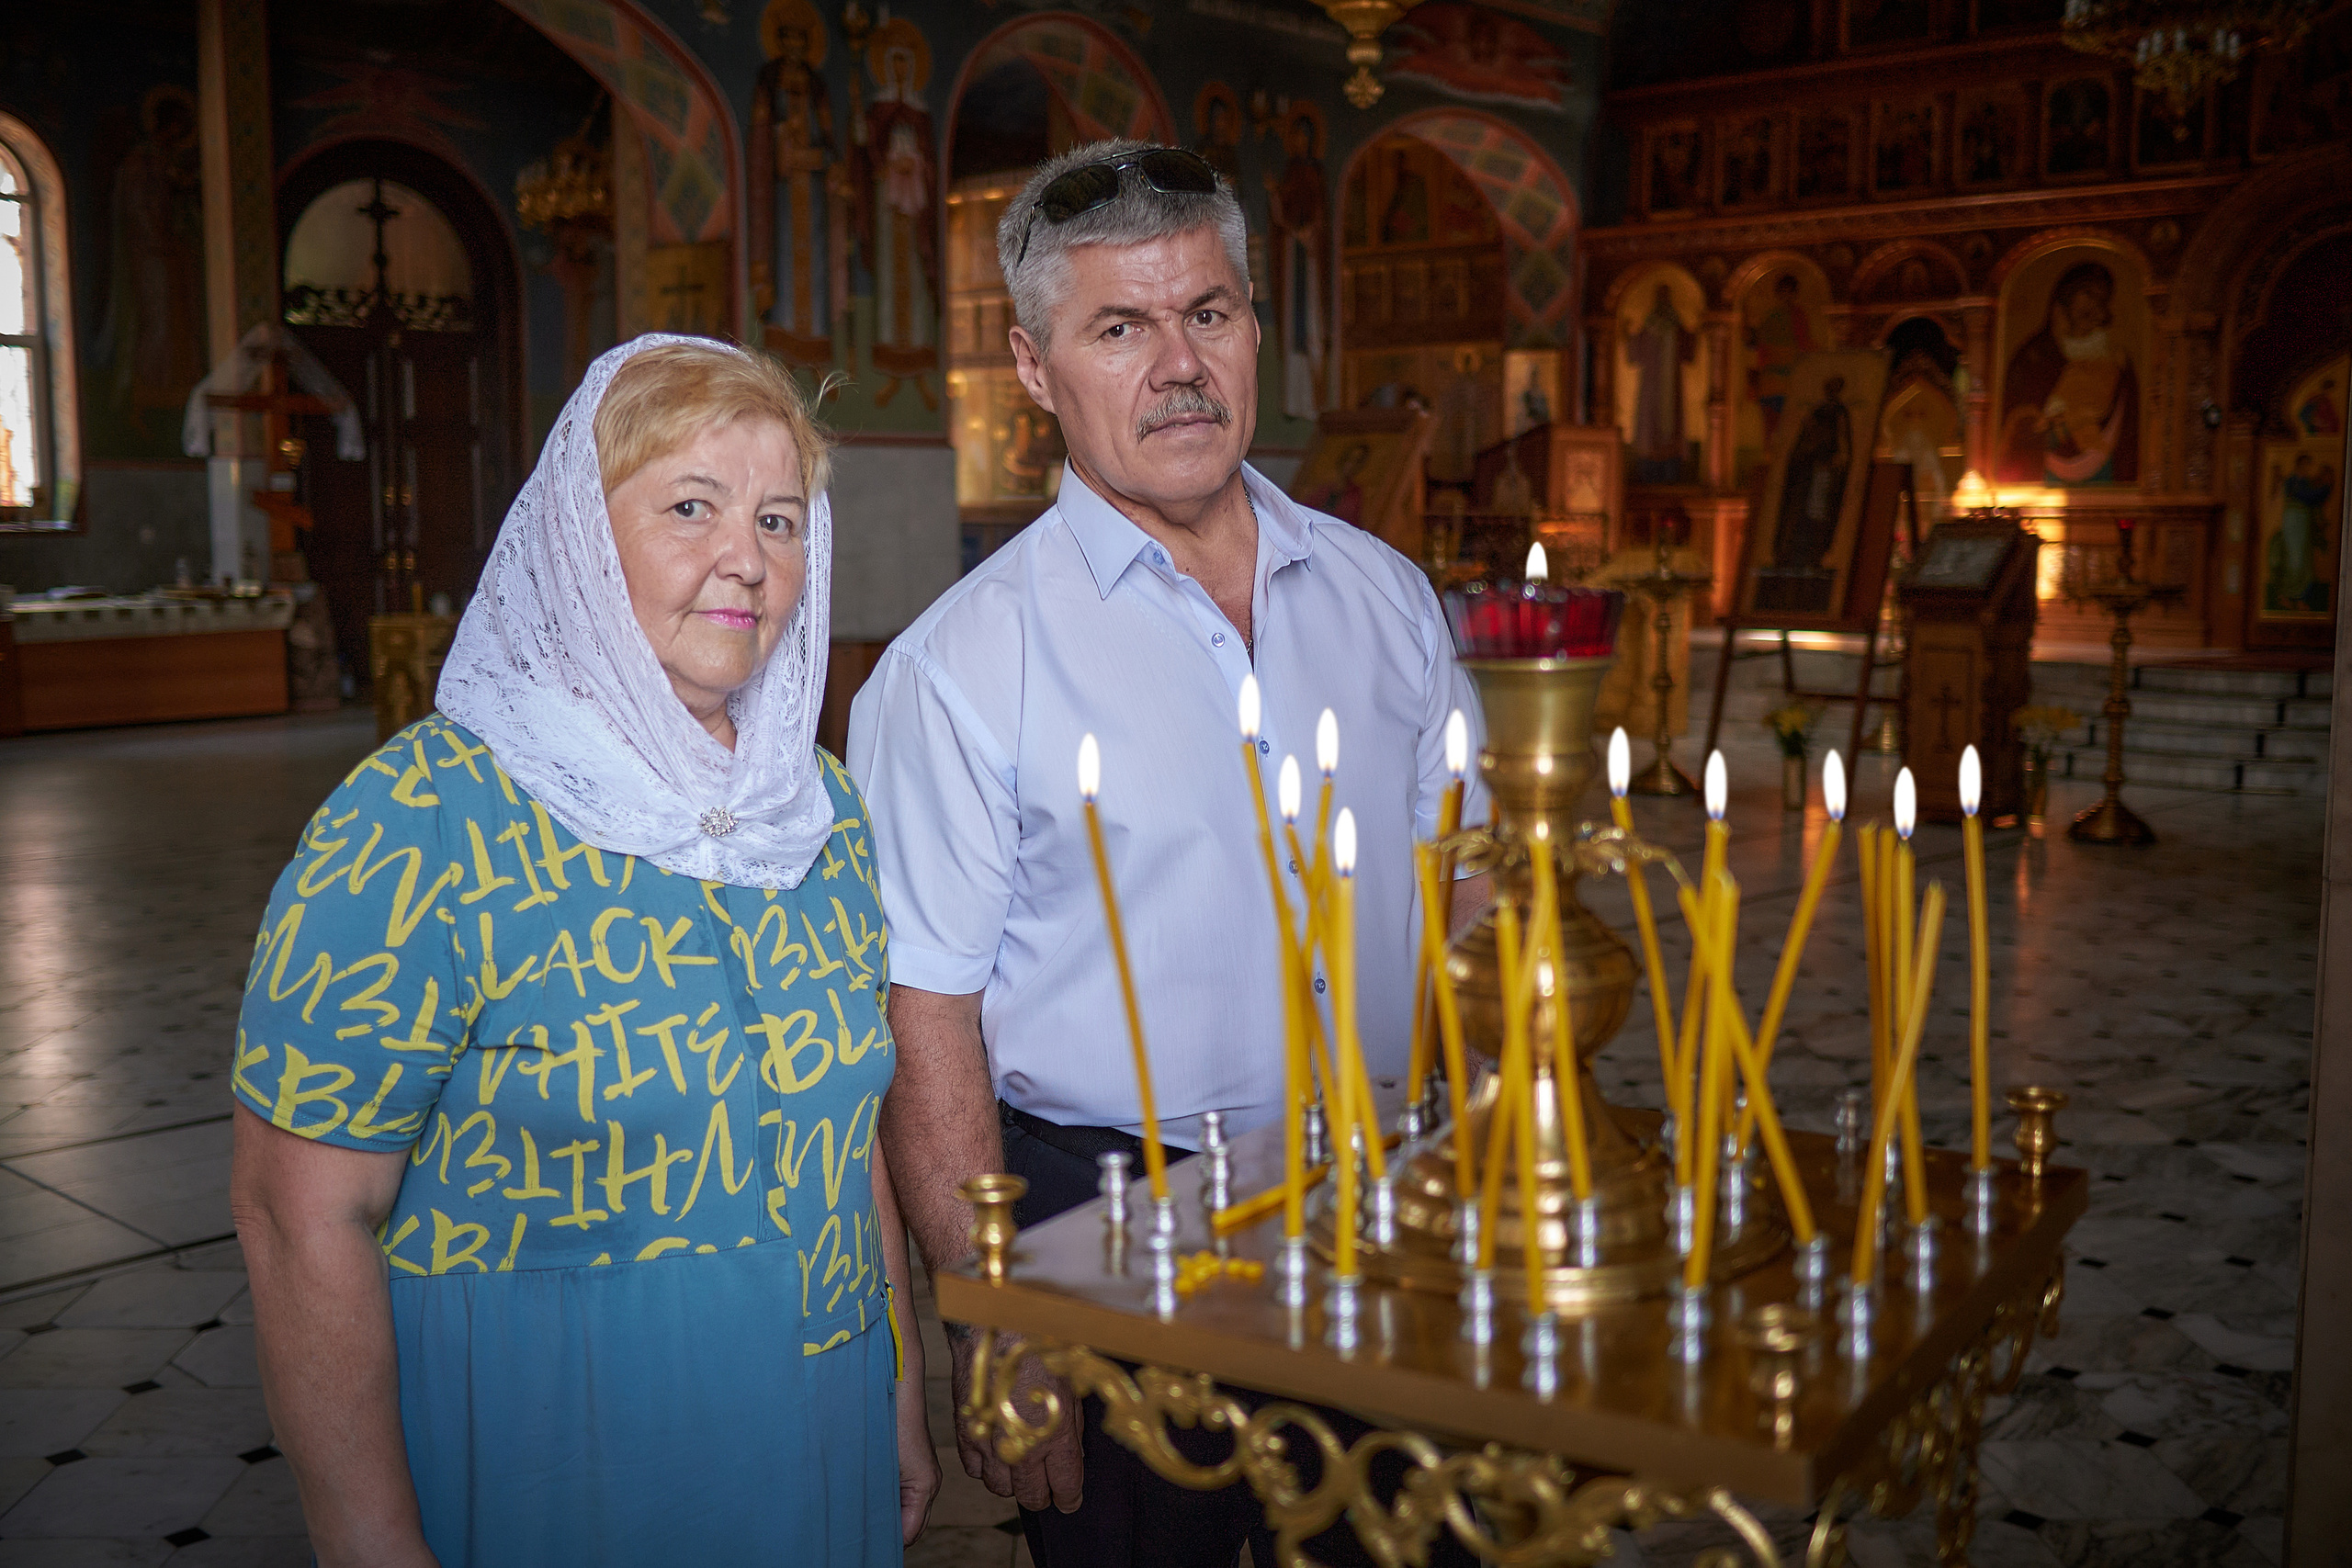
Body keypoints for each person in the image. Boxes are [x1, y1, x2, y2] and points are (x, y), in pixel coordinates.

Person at [849, 140, 1487, 1568]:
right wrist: (1000, 1320)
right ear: (1033, 365)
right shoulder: (963, 669)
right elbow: (927, 1013)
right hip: (1112, 1242)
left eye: (1208, 312)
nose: (1178, 365)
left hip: (1390, 1214)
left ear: (1259, 327)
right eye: (1119, 327)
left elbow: (1472, 899)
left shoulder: (1385, 600)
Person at [229, 336, 937, 1567]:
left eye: (780, 521)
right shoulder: (421, 821)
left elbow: (846, 1133)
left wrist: (898, 1392)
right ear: (574, 536)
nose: (747, 560)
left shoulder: (817, 813)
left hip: (815, 1422)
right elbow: (301, 1220)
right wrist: (370, 1546)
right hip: (562, 1455)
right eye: (690, 507)